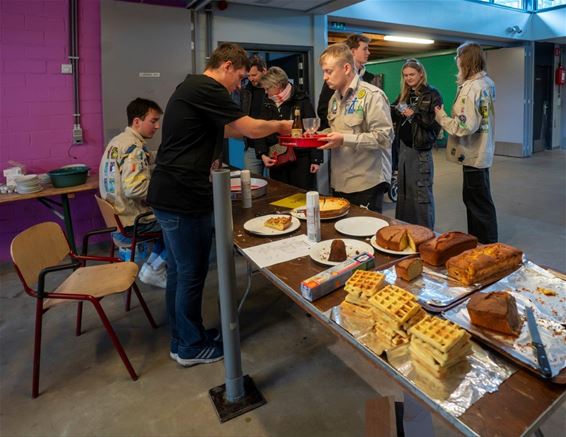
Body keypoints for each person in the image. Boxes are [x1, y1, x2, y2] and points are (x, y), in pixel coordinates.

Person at [147, 43, 292, 367]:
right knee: (190, 274)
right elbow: (249, 127)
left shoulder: (192, 87)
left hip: (171, 195)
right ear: (227, 66)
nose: (239, 85)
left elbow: (227, 129)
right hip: (182, 198)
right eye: (239, 77)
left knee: (180, 273)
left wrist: (252, 135)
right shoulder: (207, 87)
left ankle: (184, 337)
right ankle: (189, 347)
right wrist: (280, 127)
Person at [99, 97, 167, 288]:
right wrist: (166, 193)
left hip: (118, 222)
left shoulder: (118, 142)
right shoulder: (134, 149)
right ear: (137, 121)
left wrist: (161, 155)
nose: (157, 126)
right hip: (132, 224)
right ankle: (156, 268)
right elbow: (135, 188)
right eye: (153, 121)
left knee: (170, 221)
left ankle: (152, 268)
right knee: (182, 224)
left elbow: (140, 160)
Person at [318, 43, 393, 213]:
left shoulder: (372, 96)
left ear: (346, 68)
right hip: (341, 181)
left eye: (328, 71)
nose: (324, 77)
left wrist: (344, 139)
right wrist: (318, 135)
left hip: (366, 182)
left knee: (364, 234)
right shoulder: (334, 99)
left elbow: (384, 138)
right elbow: (338, 130)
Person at [435, 42, 497, 243]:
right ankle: (482, 241)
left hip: (472, 153)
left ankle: (484, 245)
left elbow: (464, 126)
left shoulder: (471, 89)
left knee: (476, 203)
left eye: (458, 58)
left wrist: (441, 117)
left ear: (465, 60)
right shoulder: (487, 83)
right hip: (482, 150)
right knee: (480, 200)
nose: (457, 62)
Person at [391, 59, 442, 229]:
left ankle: (425, 235)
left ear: (421, 73)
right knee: (404, 194)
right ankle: (405, 230)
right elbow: (394, 110)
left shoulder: (432, 94)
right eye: (405, 75)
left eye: (412, 74)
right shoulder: (405, 94)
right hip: (404, 150)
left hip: (420, 152)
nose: (408, 78)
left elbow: (433, 123)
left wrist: (413, 115)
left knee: (420, 196)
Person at [255, 66, 322, 191]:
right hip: (277, 158)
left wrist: (316, 159)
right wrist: (262, 154)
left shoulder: (301, 99)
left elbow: (312, 129)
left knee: (302, 195)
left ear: (278, 85)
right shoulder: (266, 102)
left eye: (268, 88)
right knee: (279, 195)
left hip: (301, 158)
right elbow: (261, 128)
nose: (265, 91)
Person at [317, 34, 379, 130]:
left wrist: (345, 137)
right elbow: (324, 110)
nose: (368, 53)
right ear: (353, 51)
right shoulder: (335, 82)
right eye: (365, 49)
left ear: (347, 68)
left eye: (328, 71)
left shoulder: (372, 88)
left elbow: (382, 136)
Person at [240, 55, 268, 175]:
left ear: (264, 71)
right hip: (251, 147)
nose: (250, 79)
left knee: (278, 187)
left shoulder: (274, 89)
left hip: (273, 146)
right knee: (252, 186)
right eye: (248, 76)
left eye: (254, 75)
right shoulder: (245, 91)